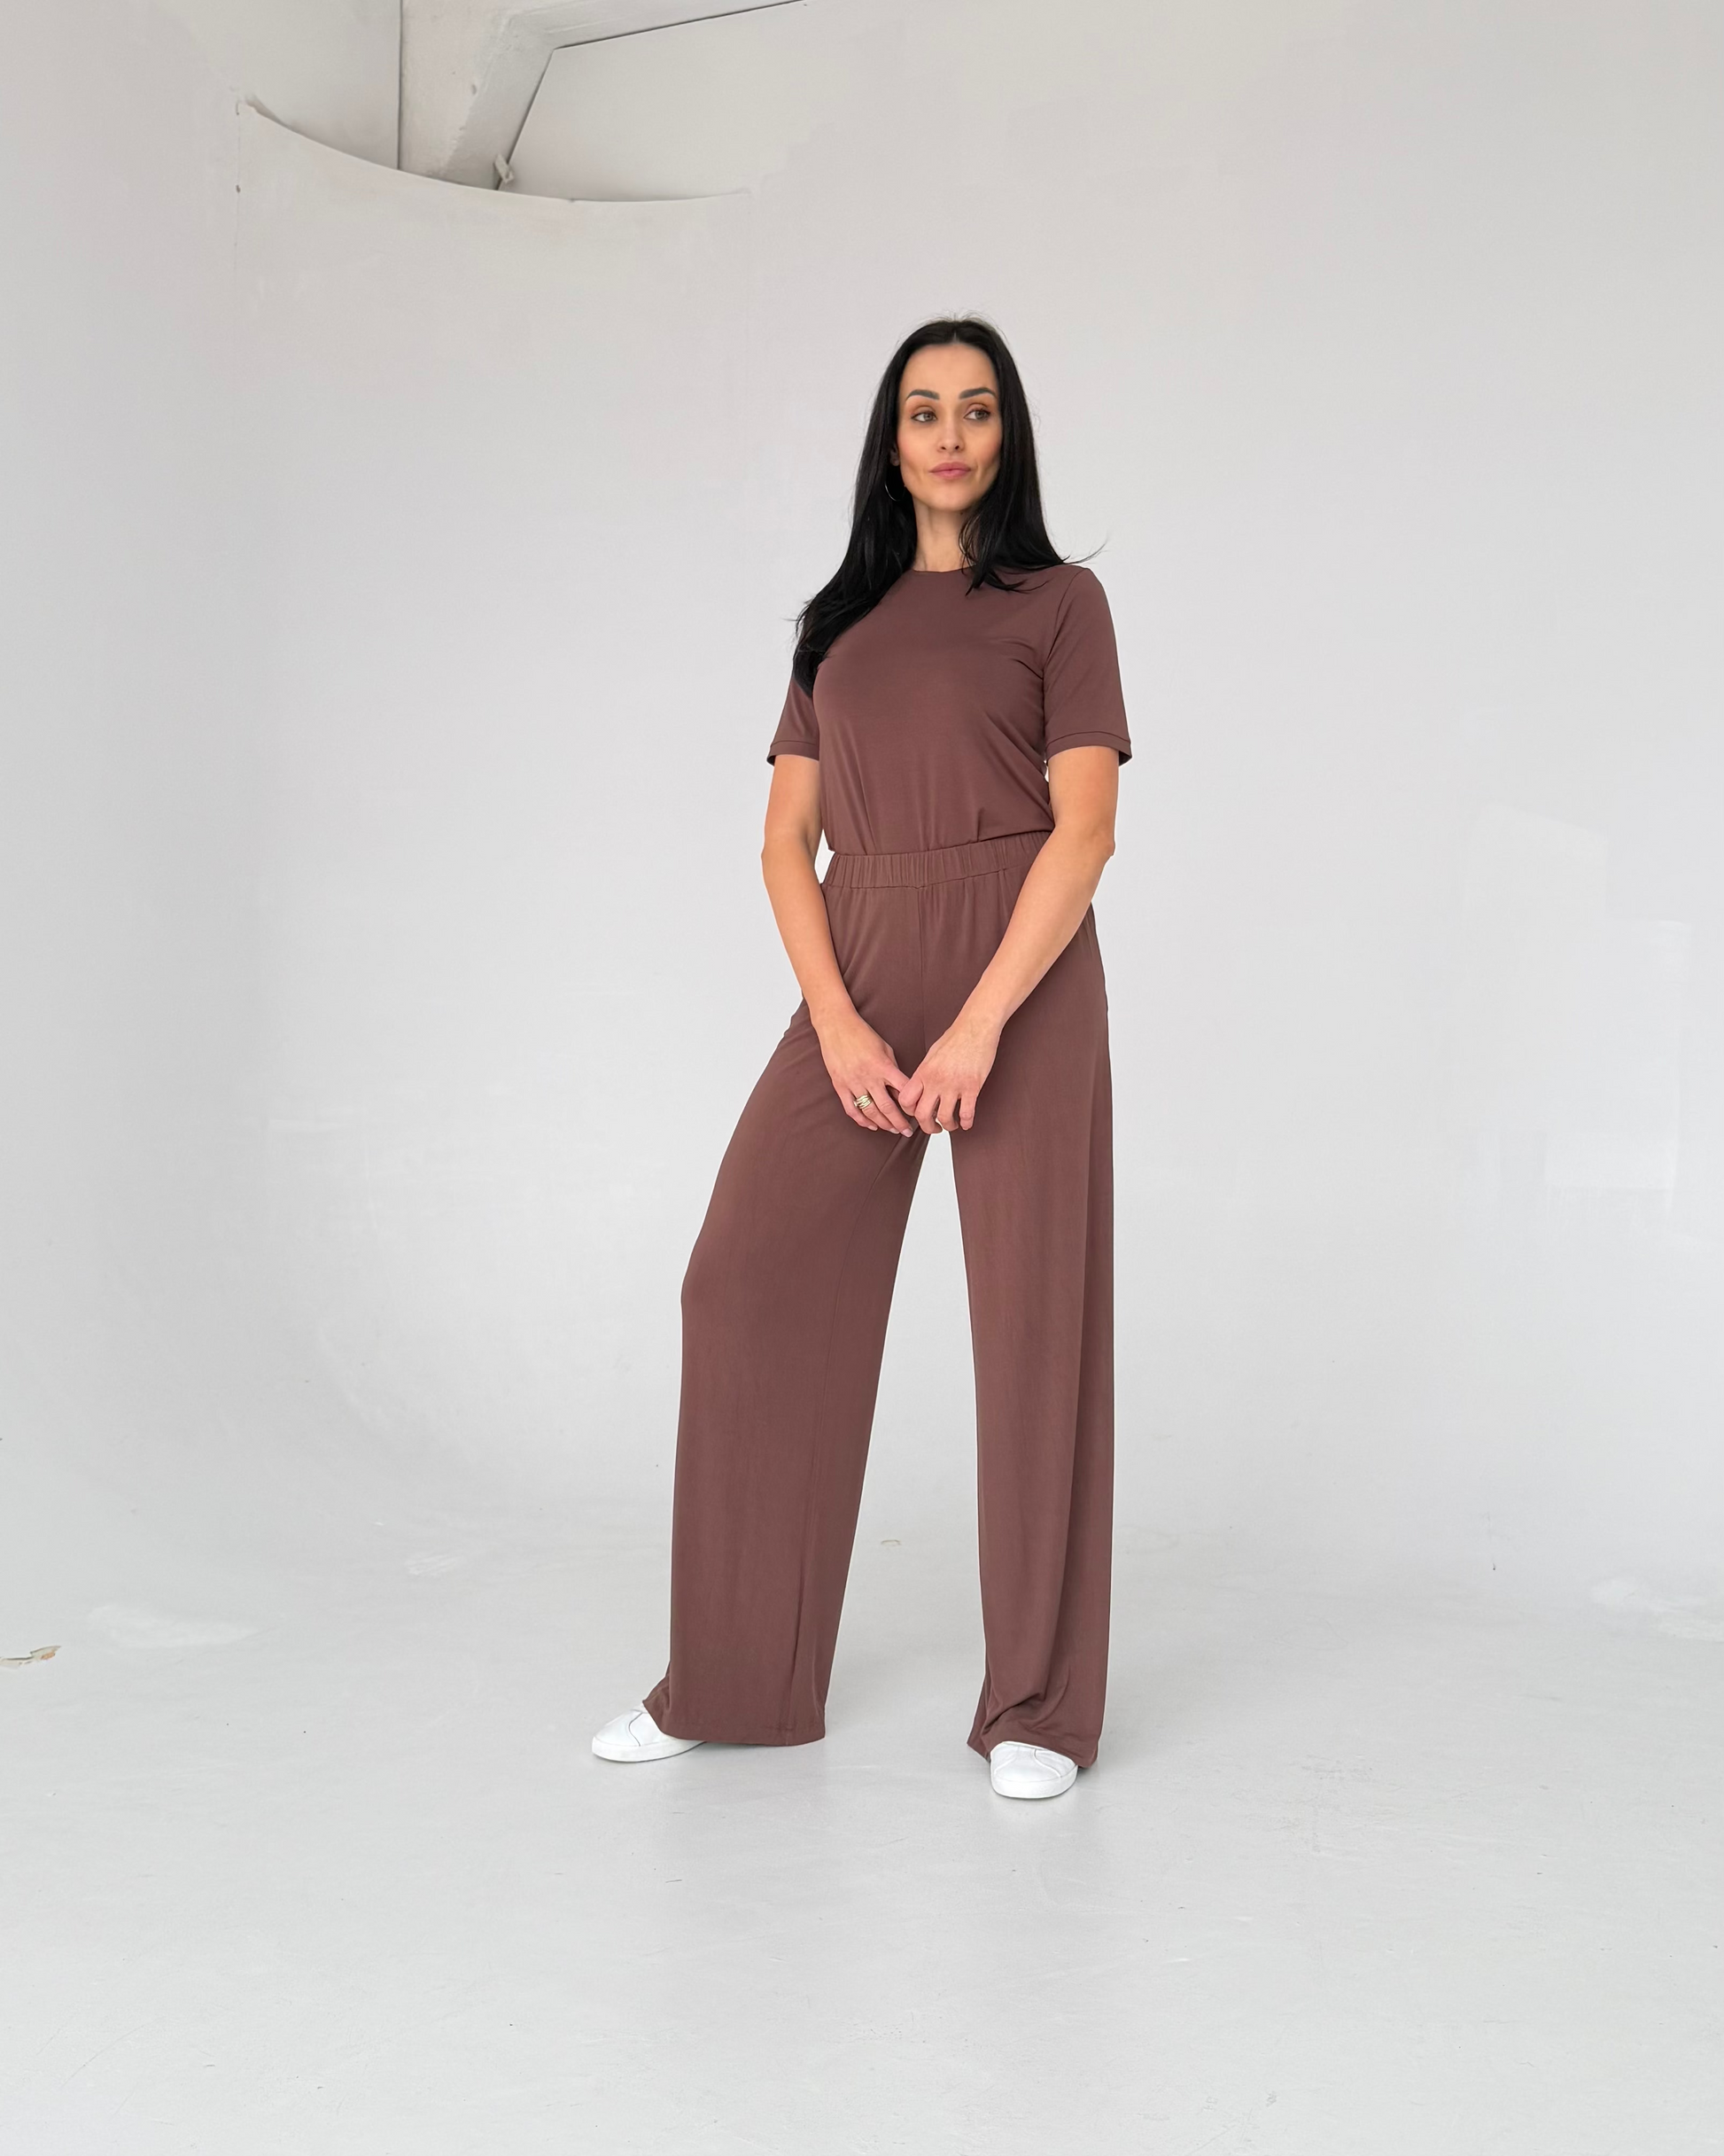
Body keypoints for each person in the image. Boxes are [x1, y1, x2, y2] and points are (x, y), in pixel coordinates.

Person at [592, 315, 1130, 1800]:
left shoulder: (1060, 603)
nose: (949, 435)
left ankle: (1036, 1710)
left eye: (976, 409)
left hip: (1023, 968)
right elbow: (785, 841)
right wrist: (837, 1018)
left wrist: (979, 1024)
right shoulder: (836, 624)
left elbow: (1084, 831)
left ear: (1006, 435)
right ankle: (734, 1679)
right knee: (742, 1280)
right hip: (863, 952)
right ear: (890, 444)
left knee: (1034, 1328)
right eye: (922, 411)